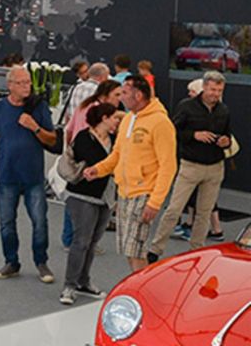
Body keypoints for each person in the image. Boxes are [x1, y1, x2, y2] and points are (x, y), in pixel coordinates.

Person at [83, 75, 177, 272]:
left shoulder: (160, 123)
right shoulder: (127, 119)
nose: (120, 97)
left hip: (144, 194)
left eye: (124, 93)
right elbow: (117, 154)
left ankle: (142, 294)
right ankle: (141, 290)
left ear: (139, 95)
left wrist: (155, 202)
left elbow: (168, 166)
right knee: (130, 250)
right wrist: (98, 169)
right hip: (125, 193)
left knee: (136, 252)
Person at [0, 65, 58, 283]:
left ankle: (41, 262)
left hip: (33, 177)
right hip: (6, 176)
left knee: (39, 221)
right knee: (7, 222)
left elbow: (52, 140)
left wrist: (34, 127)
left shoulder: (38, 107)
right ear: (10, 85)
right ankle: (11, 262)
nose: (27, 87)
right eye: (22, 83)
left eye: (28, 82)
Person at [147, 70, 233, 256]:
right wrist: (194, 135)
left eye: (219, 90)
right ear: (204, 87)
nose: (215, 94)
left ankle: (196, 250)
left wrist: (226, 141)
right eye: (212, 89)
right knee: (174, 209)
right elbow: (172, 132)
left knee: (204, 213)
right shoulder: (186, 107)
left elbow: (228, 133)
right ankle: (155, 249)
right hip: (190, 166)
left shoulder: (223, 110)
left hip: (215, 168)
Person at [60, 103, 119, 305]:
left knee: (93, 242)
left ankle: (84, 281)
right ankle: (69, 285)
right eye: (114, 118)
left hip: (106, 197)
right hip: (82, 196)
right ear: (104, 118)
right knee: (81, 241)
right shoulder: (85, 137)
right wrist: (111, 164)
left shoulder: (115, 139)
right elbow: (96, 161)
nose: (117, 122)